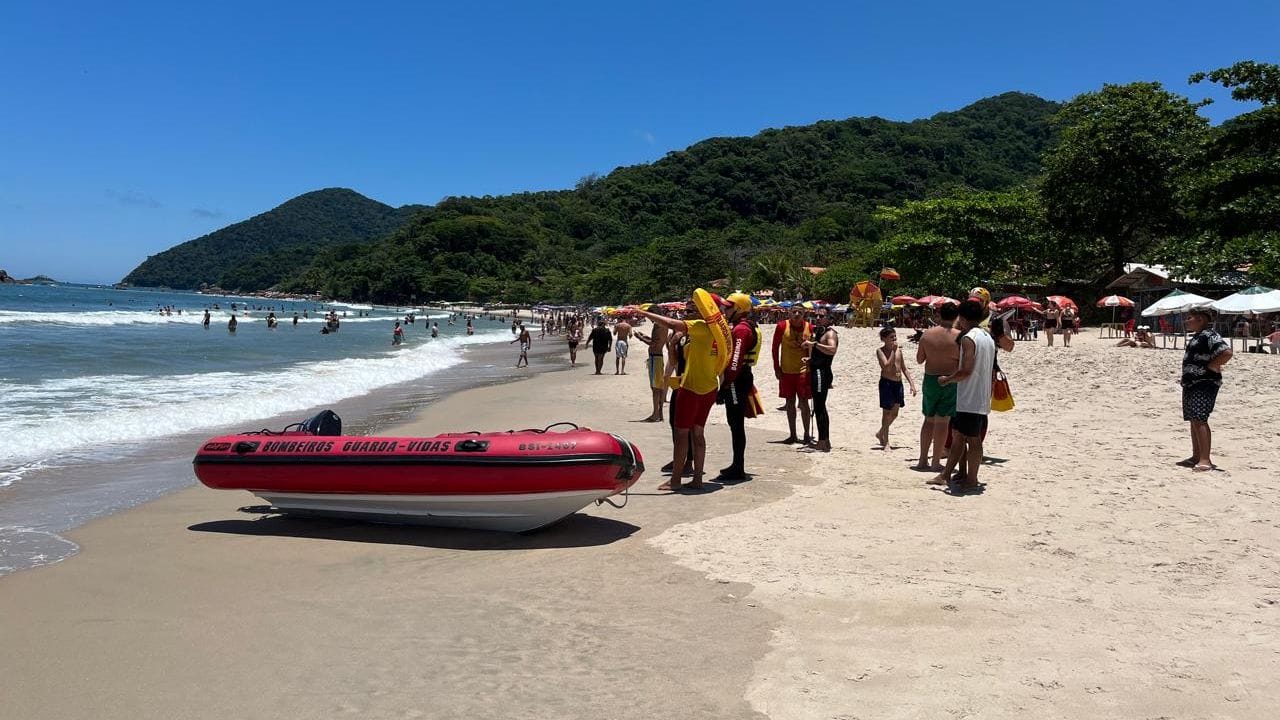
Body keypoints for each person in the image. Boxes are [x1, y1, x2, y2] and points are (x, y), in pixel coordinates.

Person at [635, 299, 727, 492]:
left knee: (681, 434)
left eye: (693, 307)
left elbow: (670, 323)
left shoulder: (701, 326)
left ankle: (675, 480)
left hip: (692, 387)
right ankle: (697, 479)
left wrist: (645, 313)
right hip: (710, 386)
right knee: (698, 433)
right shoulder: (720, 328)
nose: (688, 310)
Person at [930, 300, 996, 493]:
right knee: (959, 436)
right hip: (979, 395)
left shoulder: (970, 338)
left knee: (972, 439)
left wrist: (947, 380)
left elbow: (966, 369)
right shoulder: (987, 337)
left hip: (970, 397)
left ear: (963, 317)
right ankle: (948, 474)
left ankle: (971, 479)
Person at [1178, 308, 1232, 472]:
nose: (1186, 321)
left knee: (1200, 419)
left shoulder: (1209, 335)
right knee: (1194, 419)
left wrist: (1212, 365)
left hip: (1204, 383)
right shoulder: (1198, 336)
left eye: (1190, 318)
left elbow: (1227, 352)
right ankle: (1196, 456)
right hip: (1192, 383)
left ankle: (1205, 459)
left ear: (1200, 319)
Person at [718, 293, 759, 481]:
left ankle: (738, 467)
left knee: (736, 423)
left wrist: (725, 385)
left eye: (728, 307)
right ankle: (737, 464)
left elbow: (735, 361)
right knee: (735, 423)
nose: (724, 310)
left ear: (739, 309)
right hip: (740, 377)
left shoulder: (742, 330)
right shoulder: (742, 326)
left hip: (738, 379)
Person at [914, 302, 960, 471]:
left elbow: (920, 360)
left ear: (939, 315)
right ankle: (935, 462)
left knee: (928, 420)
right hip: (949, 380)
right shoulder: (960, 336)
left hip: (930, 379)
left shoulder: (927, 334)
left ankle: (922, 460)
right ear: (956, 317)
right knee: (943, 422)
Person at [772, 307, 813, 445]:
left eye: (800, 313)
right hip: (786, 371)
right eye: (794, 312)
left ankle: (807, 435)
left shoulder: (809, 327)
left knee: (804, 402)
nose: (796, 315)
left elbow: (814, 348)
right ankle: (793, 434)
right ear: (789, 313)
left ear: (804, 315)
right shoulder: (782, 326)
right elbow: (774, 348)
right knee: (790, 403)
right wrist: (776, 368)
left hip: (804, 371)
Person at [801, 313, 839, 452]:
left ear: (829, 318)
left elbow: (832, 350)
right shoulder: (819, 332)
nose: (817, 317)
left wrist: (814, 344)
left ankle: (823, 441)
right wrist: (810, 359)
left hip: (822, 373)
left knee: (819, 407)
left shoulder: (830, 334)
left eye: (821, 315)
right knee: (819, 407)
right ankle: (824, 440)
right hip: (817, 370)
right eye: (816, 315)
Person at [875, 326, 917, 450]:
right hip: (886, 383)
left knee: (895, 413)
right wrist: (893, 351)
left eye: (895, 337)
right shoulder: (880, 351)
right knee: (886, 413)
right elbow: (886, 367)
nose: (894, 339)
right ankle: (886, 441)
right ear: (884, 339)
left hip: (898, 383)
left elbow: (903, 367)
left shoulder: (899, 351)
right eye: (891, 337)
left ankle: (880, 432)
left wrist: (912, 384)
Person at [634, 311, 671, 422]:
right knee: (658, 387)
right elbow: (656, 340)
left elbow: (653, 344)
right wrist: (644, 336)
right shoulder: (664, 325)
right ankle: (659, 414)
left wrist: (639, 337)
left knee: (655, 388)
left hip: (655, 357)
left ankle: (655, 414)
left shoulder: (657, 325)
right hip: (658, 357)